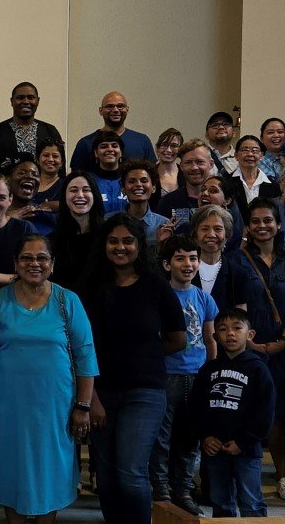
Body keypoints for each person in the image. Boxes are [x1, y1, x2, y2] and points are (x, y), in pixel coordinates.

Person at [0, 234, 96, 523]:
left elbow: (85, 356)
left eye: (42, 257)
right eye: (26, 258)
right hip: (7, 408)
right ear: (16, 263)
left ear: (52, 263)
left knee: (50, 469)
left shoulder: (68, 301)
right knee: (10, 469)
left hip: (54, 408)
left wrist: (83, 405)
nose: (34, 263)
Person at [77, 215, 185, 524]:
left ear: (139, 245)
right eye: (113, 241)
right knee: (107, 478)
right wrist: (91, 399)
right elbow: (80, 349)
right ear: (104, 245)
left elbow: (177, 339)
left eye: (128, 241)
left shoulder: (156, 286)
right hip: (101, 391)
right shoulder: (90, 289)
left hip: (145, 391)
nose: (120, 247)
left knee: (130, 472)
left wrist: (144, 353)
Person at [216, 197, 285, 501]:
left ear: (279, 224)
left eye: (268, 220)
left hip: (283, 349)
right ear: (248, 226)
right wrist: (247, 341)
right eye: (255, 221)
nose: (262, 226)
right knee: (242, 412)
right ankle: (237, 481)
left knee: (280, 412)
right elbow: (226, 304)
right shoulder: (234, 261)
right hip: (244, 350)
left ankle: (283, 476)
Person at [178, 308, 274, 518]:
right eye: (223, 329)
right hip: (215, 449)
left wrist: (244, 441)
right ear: (215, 336)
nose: (230, 333)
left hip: (246, 451)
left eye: (237, 328)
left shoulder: (258, 369)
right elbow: (196, 408)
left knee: (251, 502)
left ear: (250, 334)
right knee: (220, 501)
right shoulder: (208, 370)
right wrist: (205, 437)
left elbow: (264, 411)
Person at [152, 236, 217, 514]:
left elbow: (210, 338)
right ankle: (161, 489)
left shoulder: (204, 297)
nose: (188, 264)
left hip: (198, 375)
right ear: (167, 264)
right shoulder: (158, 296)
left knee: (191, 438)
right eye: (180, 258)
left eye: (193, 258)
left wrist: (211, 372)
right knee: (162, 436)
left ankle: (184, 490)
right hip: (168, 374)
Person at [0, 82, 63, 175]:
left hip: (45, 188)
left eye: (31, 97)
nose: (26, 101)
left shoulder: (50, 131)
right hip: (7, 188)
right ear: (11, 101)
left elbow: (60, 169)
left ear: (38, 101)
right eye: (20, 98)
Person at [70, 92, 157, 176]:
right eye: (109, 106)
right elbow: (76, 178)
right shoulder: (85, 143)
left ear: (127, 109)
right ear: (101, 110)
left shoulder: (142, 141)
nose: (115, 110)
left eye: (120, 106)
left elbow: (152, 175)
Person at [86, 137, 127, 214]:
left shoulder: (131, 180)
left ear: (121, 152)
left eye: (114, 146)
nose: (110, 149)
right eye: (104, 146)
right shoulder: (88, 181)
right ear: (96, 153)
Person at [154, 128, 185, 196]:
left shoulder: (186, 174)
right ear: (157, 148)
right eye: (164, 145)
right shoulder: (149, 173)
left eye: (174, 146)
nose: (168, 150)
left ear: (180, 149)